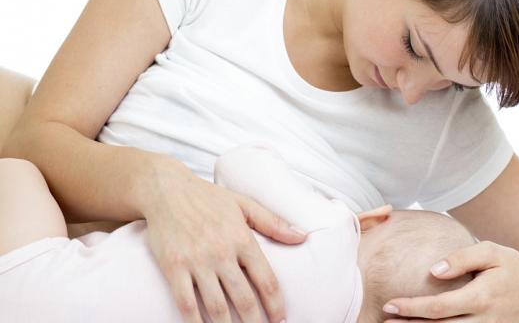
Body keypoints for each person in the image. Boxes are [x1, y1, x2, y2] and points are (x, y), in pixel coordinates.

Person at [1, 0, 519, 322]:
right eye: (415, 47)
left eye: (455, 83)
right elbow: (35, 140)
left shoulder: (445, 128)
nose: (413, 94)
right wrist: (158, 187)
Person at [0, 140, 474, 322]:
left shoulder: (332, 231)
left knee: (19, 170)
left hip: (38, 276)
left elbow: (240, 163)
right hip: (38, 296)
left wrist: (334, 208)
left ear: (374, 221)